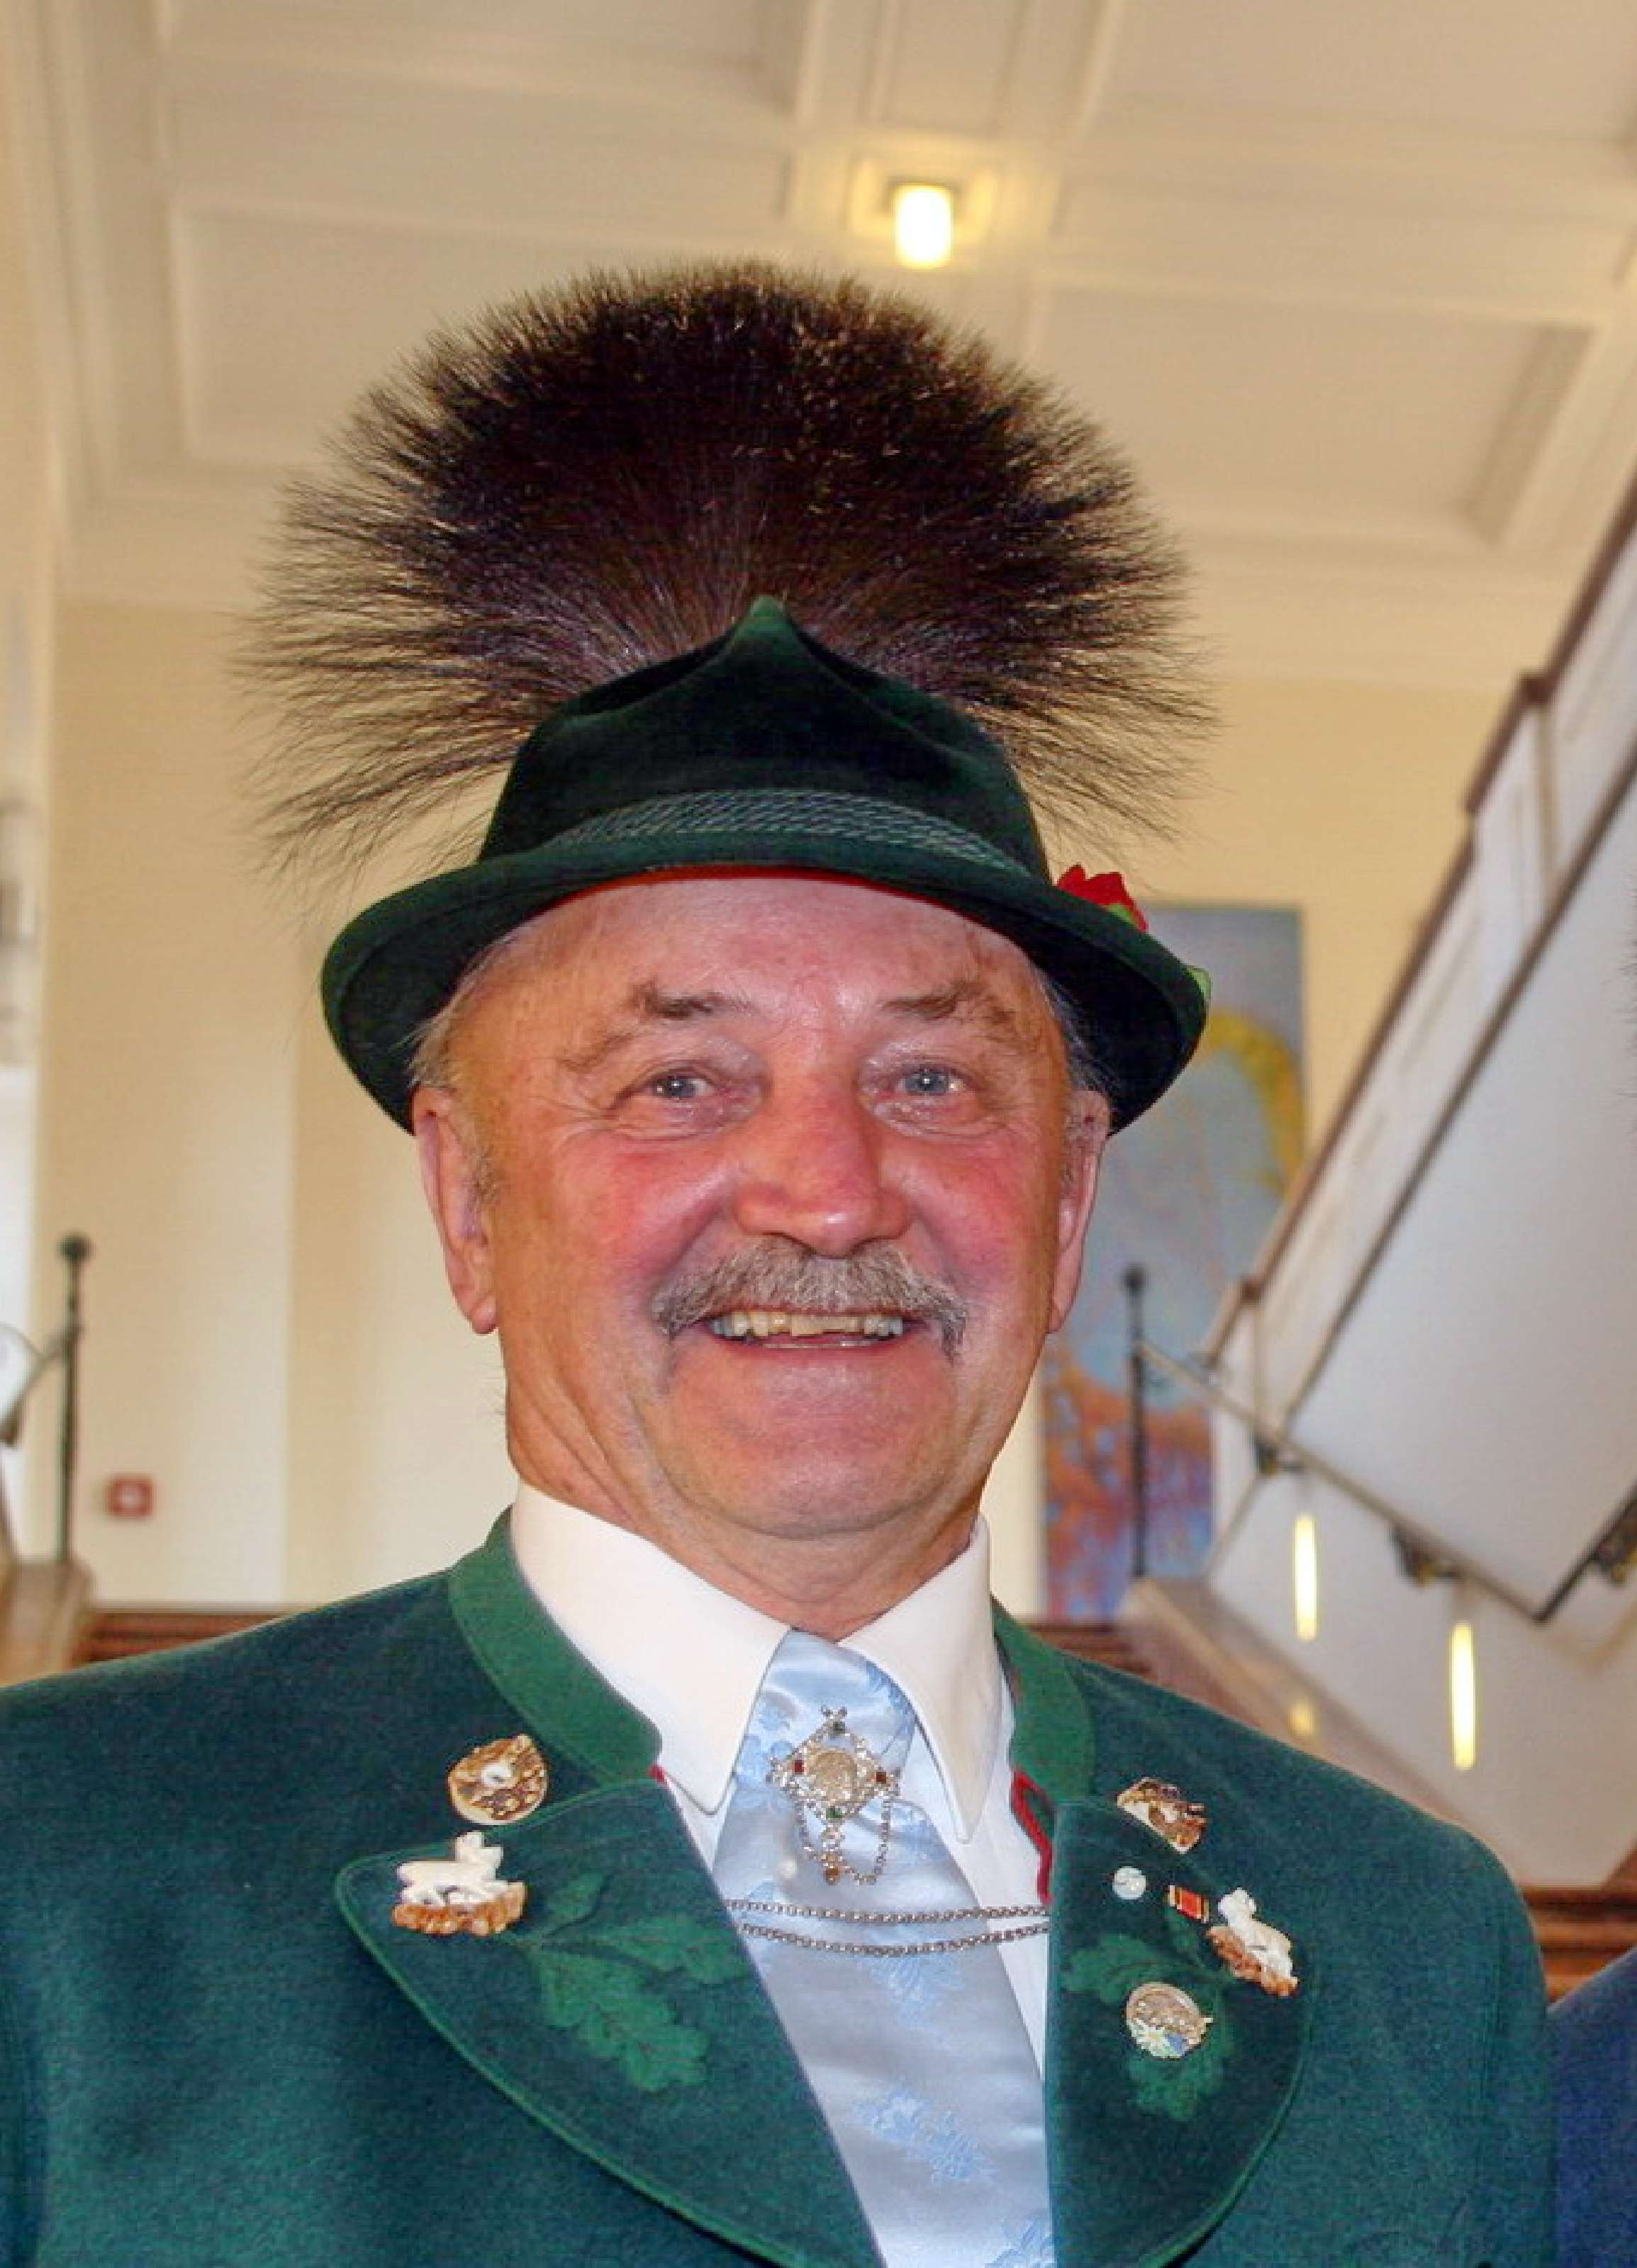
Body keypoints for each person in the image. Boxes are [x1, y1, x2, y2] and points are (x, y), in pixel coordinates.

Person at [0, 265, 1551, 2266]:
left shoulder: (1410, 1946)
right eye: (678, 1082)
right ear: (468, 1201)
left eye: (930, 1079)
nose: (826, 1196)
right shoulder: (61, 1871)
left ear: (1069, 1205)